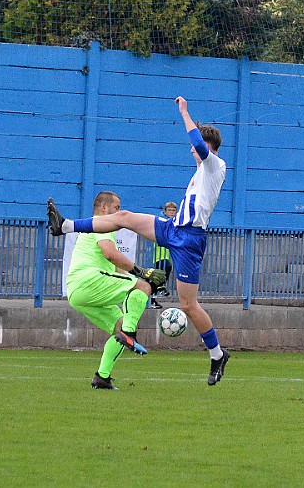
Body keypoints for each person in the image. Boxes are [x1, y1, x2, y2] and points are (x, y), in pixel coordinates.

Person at [47, 96, 230, 386]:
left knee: (188, 305)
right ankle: (65, 225)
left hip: (190, 241)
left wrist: (184, 113)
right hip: (173, 229)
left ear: (209, 148)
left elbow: (197, 144)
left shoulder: (215, 165)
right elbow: (196, 147)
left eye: (198, 149)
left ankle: (217, 354)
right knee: (125, 217)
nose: (192, 152)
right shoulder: (201, 170)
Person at [66, 191, 167, 390]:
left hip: (77, 291)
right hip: (88, 279)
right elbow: (111, 254)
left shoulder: (92, 227)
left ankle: (102, 377)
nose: (118, 212)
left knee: (119, 325)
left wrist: (137, 277)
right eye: (116, 208)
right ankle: (130, 332)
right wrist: (143, 274)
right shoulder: (101, 224)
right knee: (143, 286)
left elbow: (115, 268)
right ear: (104, 207)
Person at [149, 201, 178, 309]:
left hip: (167, 254)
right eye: (169, 210)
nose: (171, 212)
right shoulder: (162, 222)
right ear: (165, 212)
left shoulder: (175, 223)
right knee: (166, 268)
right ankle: (161, 287)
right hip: (159, 255)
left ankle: (153, 299)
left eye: (173, 210)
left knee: (155, 279)